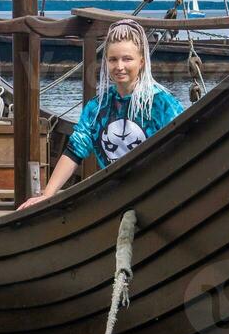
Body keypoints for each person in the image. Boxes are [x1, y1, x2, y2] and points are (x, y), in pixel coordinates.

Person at [17, 18, 184, 210]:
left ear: (142, 61)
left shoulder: (161, 104)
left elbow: (183, 142)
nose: (119, 66)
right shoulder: (97, 108)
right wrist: (47, 195)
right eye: (113, 59)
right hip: (114, 197)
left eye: (127, 59)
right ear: (106, 62)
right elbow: (74, 151)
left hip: (156, 195)